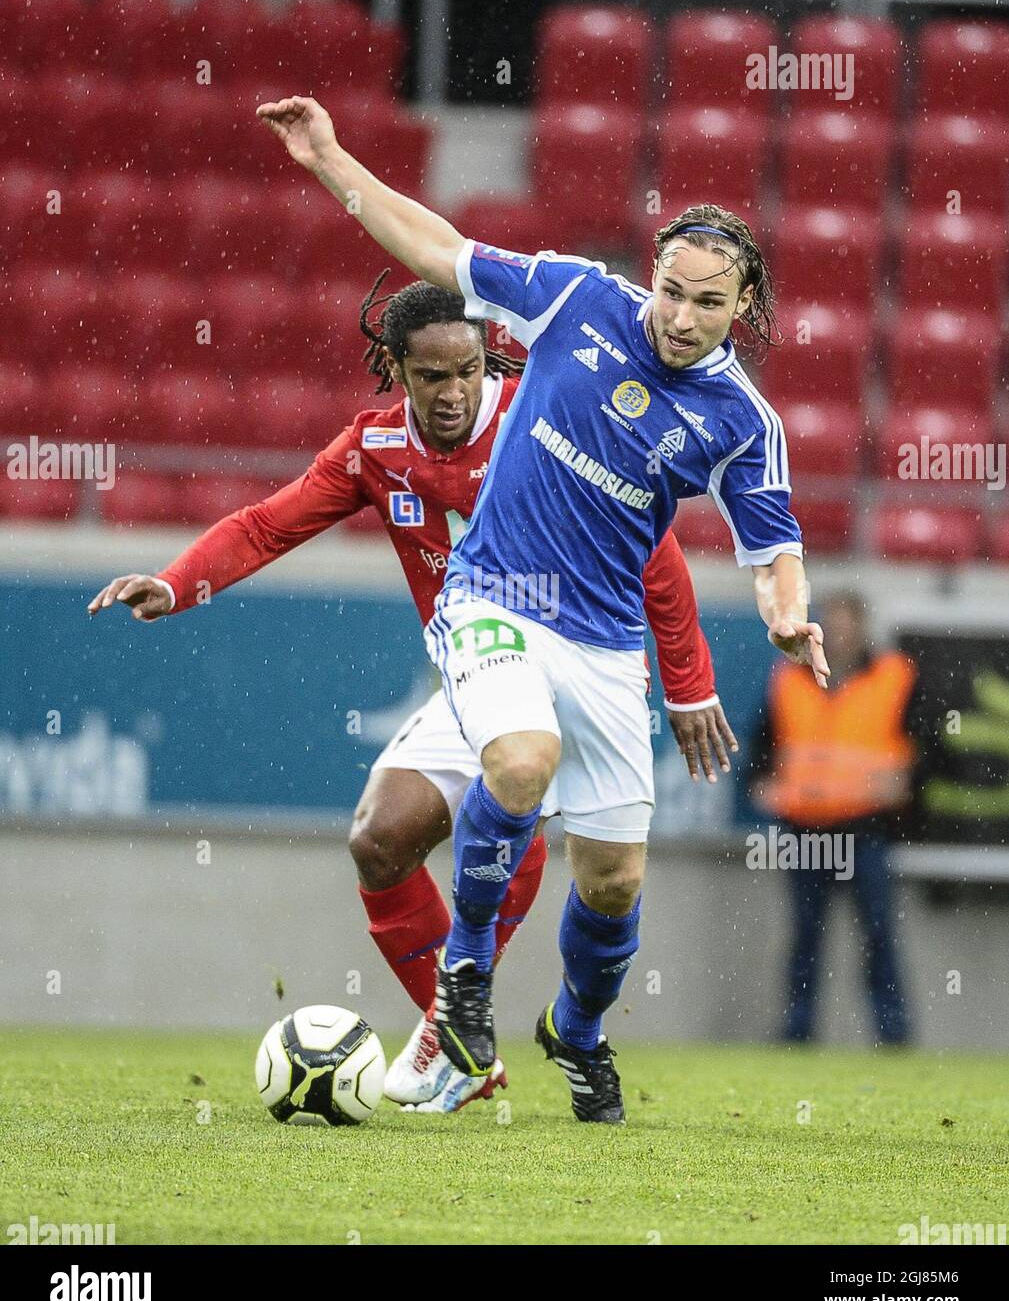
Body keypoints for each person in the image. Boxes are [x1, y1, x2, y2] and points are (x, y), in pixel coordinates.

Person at [252, 93, 829, 1123]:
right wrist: (331, 160)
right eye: (670, 290)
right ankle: (463, 987)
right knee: (518, 763)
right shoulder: (573, 299)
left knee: (609, 886)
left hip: (606, 646)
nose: (679, 316)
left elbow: (772, 546)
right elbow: (436, 246)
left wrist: (789, 613)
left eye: (706, 303)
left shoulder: (742, 420)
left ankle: (577, 1029)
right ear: (650, 276)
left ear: (740, 307)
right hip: (496, 597)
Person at [87, 274, 737, 1112]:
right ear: (396, 368)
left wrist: (688, 685)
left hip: (581, 661)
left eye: (467, 370)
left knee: (599, 878)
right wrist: (177, 583)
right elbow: (264, 524)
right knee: (379, 840)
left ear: (487, 359)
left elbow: (658, 559)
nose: (453, 391)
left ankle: (551, 1029)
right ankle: (458, 1034)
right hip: (482, 663)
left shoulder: (543, 419)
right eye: (432, 375)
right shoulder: (373, 448)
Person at [749, 591, 916, 1045]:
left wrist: (906, 783)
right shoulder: (788, 678)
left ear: (863, 627)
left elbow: (926, 746)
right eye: (832, 624)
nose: (839, 633)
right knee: (805, 936)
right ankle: (797, 1032)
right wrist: (760, 784)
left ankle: (894, 1033)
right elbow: (761, 746)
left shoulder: (893, 676)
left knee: (878, 934)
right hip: (802, 828)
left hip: (867, 828)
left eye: (847, 624)